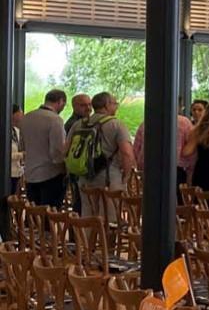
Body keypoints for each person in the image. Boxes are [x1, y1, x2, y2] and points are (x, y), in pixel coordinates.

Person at [76, 92, 136, 220]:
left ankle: (87, 240)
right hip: (109, 177)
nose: (116, 107)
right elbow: (127, 153)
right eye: (115, 103)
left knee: (88, 217)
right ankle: (107, 240)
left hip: (84, 176)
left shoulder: (80, 123)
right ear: (107, 105)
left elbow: (66, 149)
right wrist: (125, 176)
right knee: (110, 220)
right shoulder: (116, 124)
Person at [21, 89, 68, 208]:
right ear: (61, 101)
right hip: (51, 174)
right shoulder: (55, 119)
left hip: (30, 174)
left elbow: (22, 146)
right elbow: (57, 151)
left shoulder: (26, 117)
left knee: (35, 216)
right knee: (50, 219)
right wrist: (65, 168)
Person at [133, 113, 195, 190]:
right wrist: (190, 173)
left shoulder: (146, 122)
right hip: (175, 170)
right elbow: (192, 151)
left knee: (151, 199)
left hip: (150, 168)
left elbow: (136, 150)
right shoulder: (185, 122)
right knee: (175, 199)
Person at [64, 93, 92, 214]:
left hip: (79, 168)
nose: (88, 108)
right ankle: (76, 231)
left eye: (90, 104)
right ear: (74, 106)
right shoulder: (74, 124)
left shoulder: (85, 122)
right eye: (83, 105)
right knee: (79, 203)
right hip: (77, 168)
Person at [9, 106, 22, 197]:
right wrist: (21, 155)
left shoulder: (17, 130)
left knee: (14, 197)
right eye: (20, 112)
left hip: (17, 171)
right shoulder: (5, 130)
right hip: (8, 172)